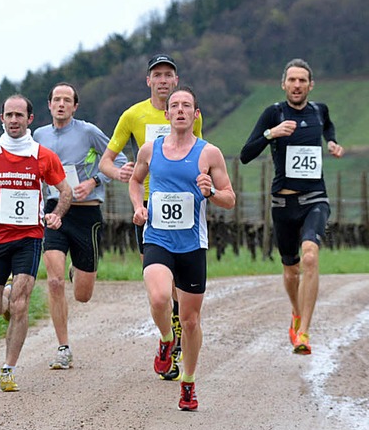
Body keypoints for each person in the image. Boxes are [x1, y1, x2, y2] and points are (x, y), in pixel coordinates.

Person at [129, 86, 235, 410]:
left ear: (195, 114)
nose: (179, 110)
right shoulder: (150, 150)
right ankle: (165, 340)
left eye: (186, 105)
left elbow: (230, 199)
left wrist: (211, 192)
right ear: (166, 114)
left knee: (190, 320)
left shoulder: (209, 154)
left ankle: (188, 382)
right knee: (160, 296)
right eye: (174, 105)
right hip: (157, 237)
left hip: (191, 244)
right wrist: (138, 206)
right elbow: (135, 181)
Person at [99, 54, 203, 380]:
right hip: (147, 208)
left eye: (168, 75)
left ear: (175, 81)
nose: (162, 80)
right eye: (156, 75)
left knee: (178, 287)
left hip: (184, 207)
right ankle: (169, 338)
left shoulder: (188, 113)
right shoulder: (132, 115)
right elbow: (105, 161)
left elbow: (196, 152)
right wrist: (121, 173)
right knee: (159, 283)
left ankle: (175, 342)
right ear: (148, 81)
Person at [0, 94, 71, 392]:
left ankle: (8, 369)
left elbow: (66, 191)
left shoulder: (42, 155)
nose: (14, 120)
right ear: (2, 118)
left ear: (30, 119)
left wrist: (56, 216)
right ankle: (8, 292)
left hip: (29, 238)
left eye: (19, 115)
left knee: (21, 305)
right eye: (9, 115)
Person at [240, 58, 344, 355]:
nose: (297, 85)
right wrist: (271, 134)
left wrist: (333, 143)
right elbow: (246, 154)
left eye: (302, 80)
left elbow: (328, 126)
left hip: (315, 199)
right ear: (283, 84)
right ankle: (296, 313)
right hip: (283, 202)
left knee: (310, 256)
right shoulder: (274, 113)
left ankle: (304, 333)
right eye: (292, 80)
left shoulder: (318, 110)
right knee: (290, 271)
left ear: (311, 85)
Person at [33, 82, 127, 369]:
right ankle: (63, 347)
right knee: (54, 280)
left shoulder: (88, 131)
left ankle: (78, 271)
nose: (61, 104)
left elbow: (118, 160)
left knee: (83, 295)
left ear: (75, 106)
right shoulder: (39, 135)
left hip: (87, 213)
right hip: (54, 212)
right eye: (56, 99)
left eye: (67, 100)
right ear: (49, 105)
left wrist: (94, 181)